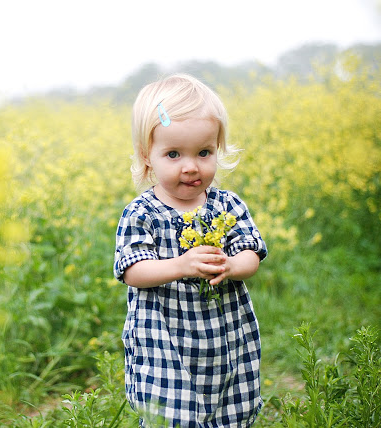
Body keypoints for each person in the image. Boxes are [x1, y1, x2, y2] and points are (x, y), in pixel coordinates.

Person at [114, 73, 267, 427]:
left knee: (231, 407)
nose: (191, 166)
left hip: (226, 335)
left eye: (204, 152)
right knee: (171, 413)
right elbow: (132, 271)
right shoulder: (142, 213)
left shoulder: (226, 205)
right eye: (173, 154)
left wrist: (230, 265)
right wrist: (181, 265)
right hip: (163, 340)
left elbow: (251, 252)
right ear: (146, 156)